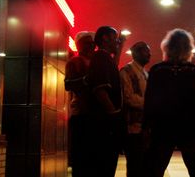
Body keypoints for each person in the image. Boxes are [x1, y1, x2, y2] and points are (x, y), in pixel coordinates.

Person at [143, 28, 195, 177]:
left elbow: (150, 102)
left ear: (167, 47)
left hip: (162, 127)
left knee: (155, 168)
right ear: (188, 48)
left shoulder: (157, 70)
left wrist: (146, 127)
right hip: (190, 127)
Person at [85, 26, 126, 177]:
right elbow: (100, 89)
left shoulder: (104, 58)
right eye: (115, 37)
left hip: (104, 122)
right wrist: (114, 114)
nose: (117, 40)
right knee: (105, 165)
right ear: (105, 38)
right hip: (104, 123)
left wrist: (120, 47)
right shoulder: (101, 57)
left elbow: (113, 66)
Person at [64, 31, 95, 177]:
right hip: (81, 115)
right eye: (88, 43)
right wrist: (86, 79)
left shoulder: (95, 61)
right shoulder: (74, 62)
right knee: (81, 159)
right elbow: (68, 84)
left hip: (91, 115)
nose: (92, 45)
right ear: (80, 45)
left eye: (92, 43)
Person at [120, 41, 151, 177]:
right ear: (135, 53)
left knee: (143, 165)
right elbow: (128, 98)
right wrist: (150, 104)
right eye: (145, 50)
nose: (149, 53)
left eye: (148, 50)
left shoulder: (145, 73)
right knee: (134, 165)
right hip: (132, 128)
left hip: (144, 128)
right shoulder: (126, 71)